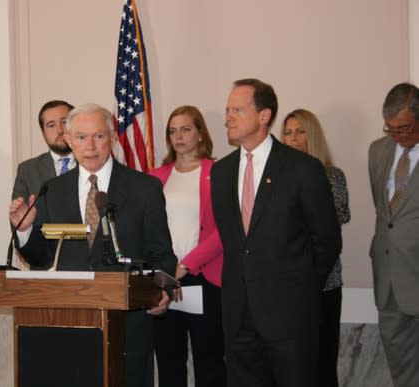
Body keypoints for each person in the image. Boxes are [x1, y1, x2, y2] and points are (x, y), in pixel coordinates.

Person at [9, 103, 176, 387]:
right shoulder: (53, 189)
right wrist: (25, 231)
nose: (90, 145)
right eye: (82, 137)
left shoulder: (144, 188)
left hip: (128, 328)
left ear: (112, 138)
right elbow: (41, 258)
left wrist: (163, 291)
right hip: (69, 326)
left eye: (98, 136)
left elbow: (160, 253)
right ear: (69, 141)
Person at [211, 78, 341, 387]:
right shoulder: (221, 172)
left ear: (264, 115)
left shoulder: (302, 168)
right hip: (238, 314)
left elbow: (327, 240)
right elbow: (235, 243)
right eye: (227, 109)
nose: (228, 117)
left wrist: (300, 290)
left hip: (290, 317)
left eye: (237, 110)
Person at [148, 105, 226, 387]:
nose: (177, 136)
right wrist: (168, 269)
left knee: (210, 361)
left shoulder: (218, 172)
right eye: (172, 131)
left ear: (201, 133)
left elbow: (224, 231)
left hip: (204, 277)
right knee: (169, 361)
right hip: (164, 279)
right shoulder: (154, 176)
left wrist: (187, 265)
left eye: (185, 129)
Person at [281, 108, 350, 387]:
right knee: (290, 363)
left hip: (324, 283)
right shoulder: (275, 179)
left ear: (313, 136)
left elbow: (337, 219)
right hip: (285, 285)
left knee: (322, 361)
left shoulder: (332, 175)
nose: (294, 138)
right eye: (287, 132)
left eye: (300, 131)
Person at [369, 82, 419, 387]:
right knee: (403, 371)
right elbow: (385, 213)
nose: (398, 136)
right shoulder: (378, 150)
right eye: (391, 129)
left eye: (404, 128)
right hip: (388, 281)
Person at [12, 100, 76, 200]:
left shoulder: (93, 163)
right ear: (43, 133)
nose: (59, 130)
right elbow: (20, 214)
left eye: (64, 122)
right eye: (51, 125)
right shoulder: (27, 171)